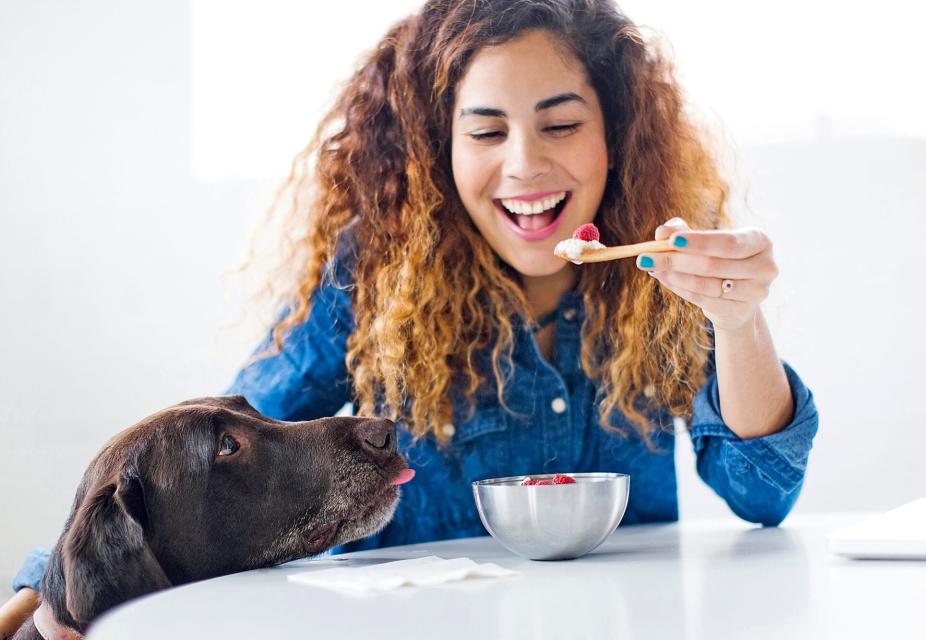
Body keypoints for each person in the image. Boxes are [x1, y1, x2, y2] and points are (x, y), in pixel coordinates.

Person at [9, 0, 817, 634]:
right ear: (441, 151)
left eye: (562, 124)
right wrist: (45, 590)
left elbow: (761, 497)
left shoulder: (665, 269)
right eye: (486, 131)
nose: (526, 164)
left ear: (618, 134)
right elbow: (215, 470)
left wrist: (739, 321)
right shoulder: (373, 280)